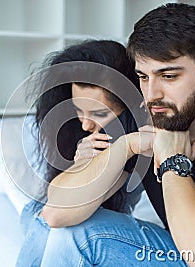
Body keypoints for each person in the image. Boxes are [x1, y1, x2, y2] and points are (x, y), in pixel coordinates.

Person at [36, 3, 195, 266]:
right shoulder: (145, 114)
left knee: (85, 237)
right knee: (54, 225)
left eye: (169, 76)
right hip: (182, 247)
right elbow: (56, 214)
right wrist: (127, 146)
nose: (152, 95)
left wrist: (172, 160)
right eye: (143, 77)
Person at [16, 40, 149, 266]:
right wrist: (81, 164)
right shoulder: (84, 133)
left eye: (98, 113)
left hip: (102, 219)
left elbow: (59, 214)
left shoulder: (137, 136)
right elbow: (55, 206)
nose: (86, 125)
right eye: (78, 110)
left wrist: (94, 163)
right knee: (33, 212)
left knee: (49, 223)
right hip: (82, 210)